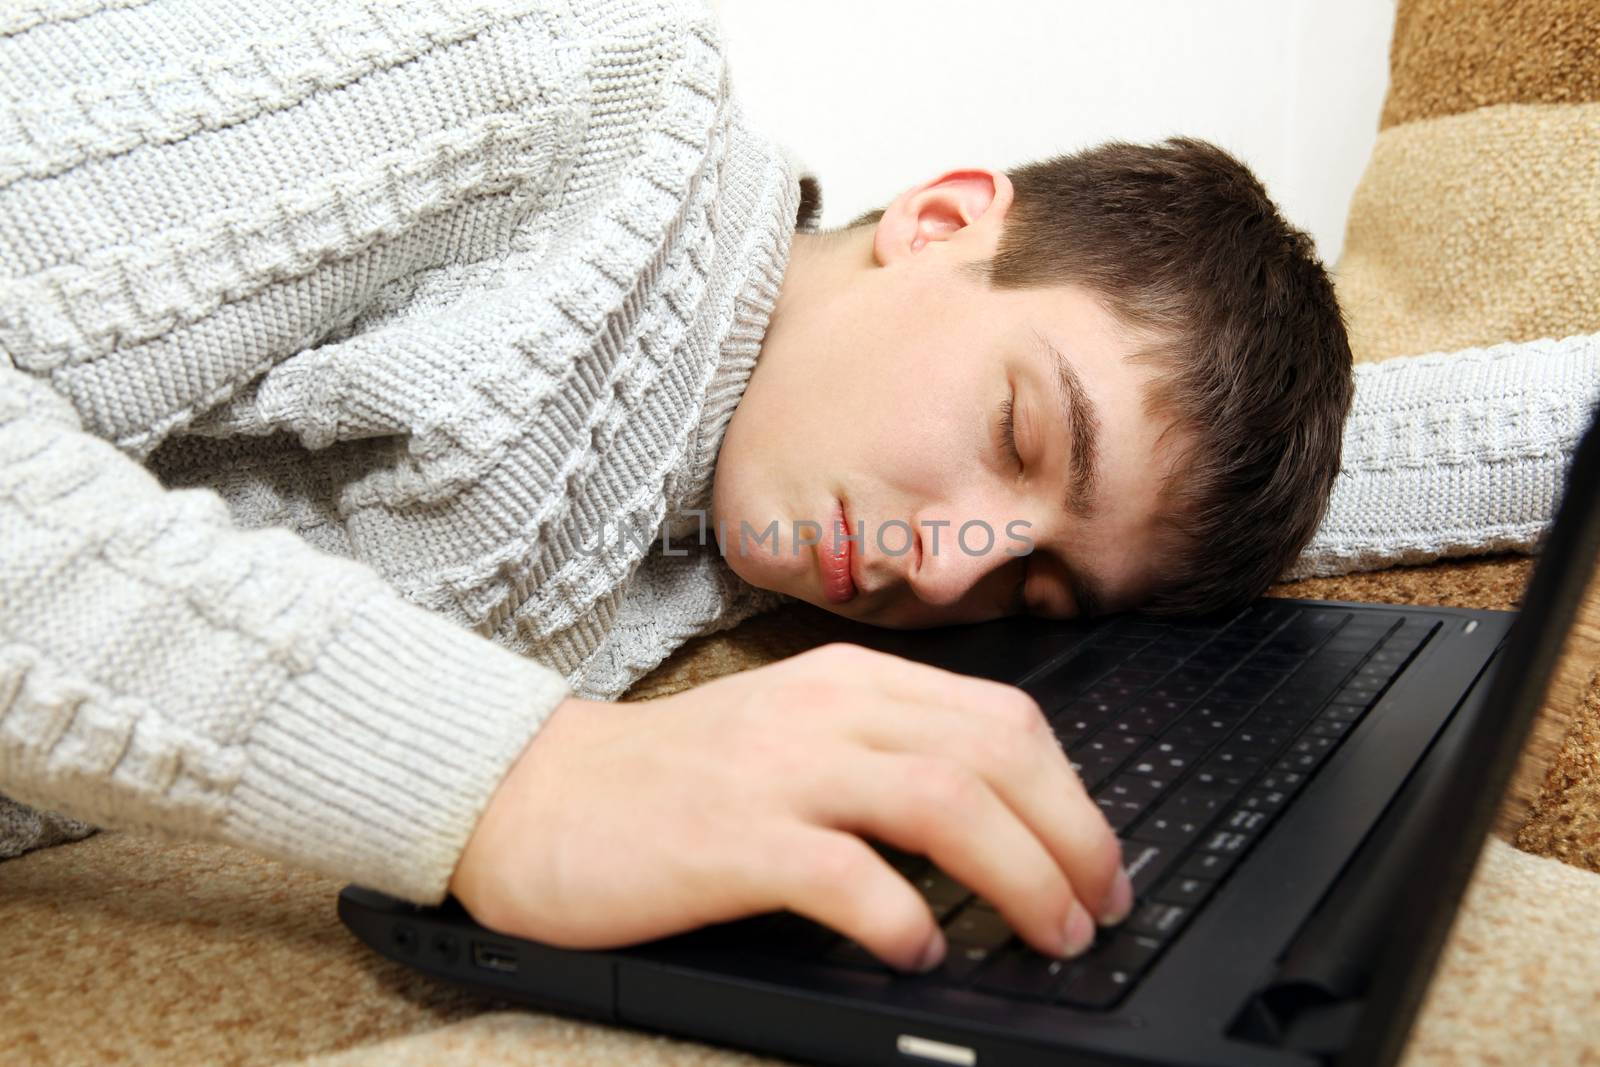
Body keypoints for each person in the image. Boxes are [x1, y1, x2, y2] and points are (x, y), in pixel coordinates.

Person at [2, 0, 1594, 979]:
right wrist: (513, 779)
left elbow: (1266, 461)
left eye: (1033, 591)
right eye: (1022, 434)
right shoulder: (544, 91)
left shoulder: (743, 504)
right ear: (945, 216)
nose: (958, 560)